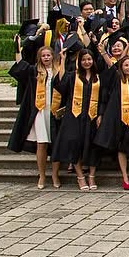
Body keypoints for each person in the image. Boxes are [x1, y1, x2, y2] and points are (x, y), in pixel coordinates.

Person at [8, 43, 62, 189]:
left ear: (53, 56)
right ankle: (42, 175)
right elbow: (20, 66)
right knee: (41, 144)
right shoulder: (34, 71)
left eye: (48, 55)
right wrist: (17, 49)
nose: (46, 57)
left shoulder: (59, 71)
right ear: (39, 58)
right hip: (39, 112)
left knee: (56, 144)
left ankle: (55, 175)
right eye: (43, 55)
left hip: (55, 112)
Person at [51, 48, 101, 191]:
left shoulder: (98, 78)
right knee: (74, 144)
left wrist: (101, 115)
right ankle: (80, 177)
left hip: (93, 117)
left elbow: (103, 98)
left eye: (89, 59)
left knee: (93, 147)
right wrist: (62, 61)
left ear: (93, 61)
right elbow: (60, 85)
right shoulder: (73, 76)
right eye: (84, 59)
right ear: (80, 62)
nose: (87, 62)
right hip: (74, 116)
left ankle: (92, 176)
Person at [95, 57, 129, 190]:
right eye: (126, 65)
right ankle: (125, 176)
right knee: (121, 148)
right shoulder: (117, 81)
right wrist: (104, 53)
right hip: (119, 119)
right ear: (121, 68)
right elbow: (112, 68)